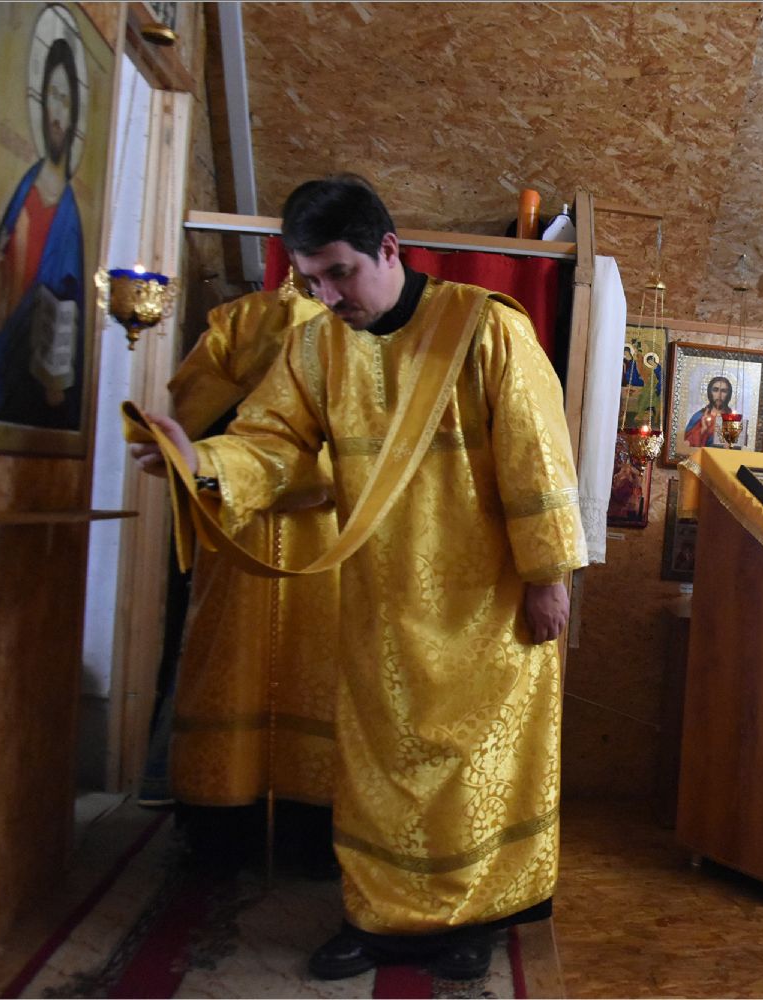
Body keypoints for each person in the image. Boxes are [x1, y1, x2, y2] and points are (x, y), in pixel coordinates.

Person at [130, 175, 587, 982]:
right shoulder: (317, 347)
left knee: (473, 771)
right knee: (381, 766)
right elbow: (273, 444)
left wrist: (548, 577)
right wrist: (200, 461)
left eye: (339, 273)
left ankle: (471, 917)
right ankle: (379, 917)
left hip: (488, 602)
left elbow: (537, 459)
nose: (328, 296)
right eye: (312, 280)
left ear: (389, 248)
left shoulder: (485, 329)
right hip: (379, 596)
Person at [149, 288, 343, 874]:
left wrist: (217, 456)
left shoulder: (239, 322)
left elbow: (191, 410)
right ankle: (293, 832)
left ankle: (227, 828)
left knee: (249, 660)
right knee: (263, 660)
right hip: (283, 527)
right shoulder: (336, 331)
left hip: (256, 518)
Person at [0, 32, 86, 428]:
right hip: (2, 360)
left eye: (65, 100)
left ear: (74, 114)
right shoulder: (21, 193)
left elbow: (75, 306)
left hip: (44, 389)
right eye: (52, 96)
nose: (57, 114)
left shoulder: (72, 215)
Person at [684, 375, 734, 448]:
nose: (719, 395)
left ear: (728, 394)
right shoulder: (699, 417)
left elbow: (737, 446)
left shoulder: (733, 419)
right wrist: (702, 430)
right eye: (715, 390)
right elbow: (686, 445)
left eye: (723, 391)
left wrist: (730, 444)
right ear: (710, 392)